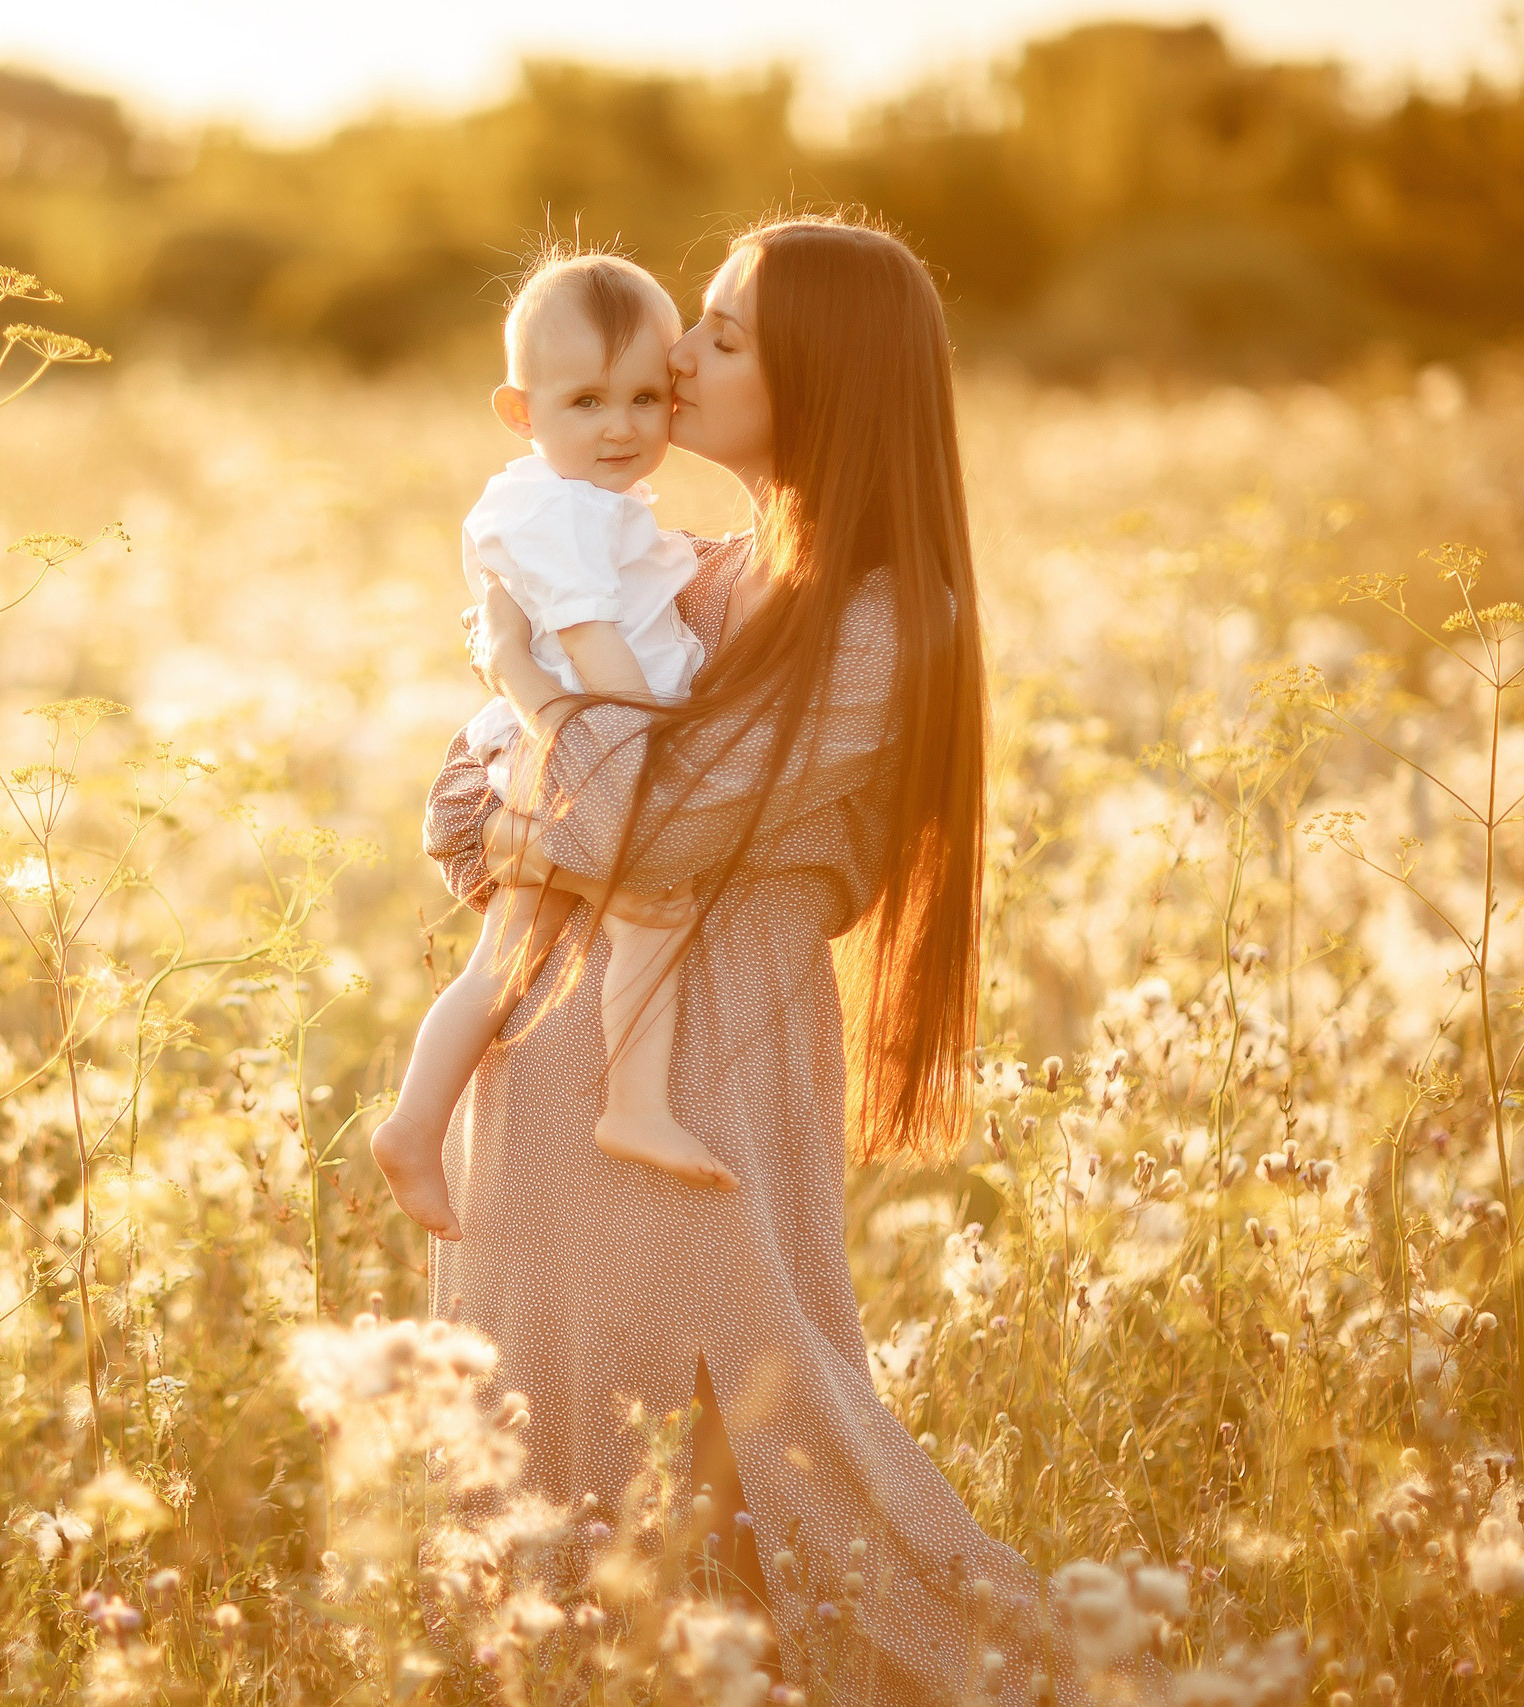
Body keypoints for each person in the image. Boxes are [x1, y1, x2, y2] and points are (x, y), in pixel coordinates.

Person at [428, 214, 1079, 1702]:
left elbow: (622, 820)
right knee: (554, 1434)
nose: (680, 351)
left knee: (754, 1424)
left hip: (707, 1053)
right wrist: (552, 767)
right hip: (552, 1052)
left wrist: (529, 699)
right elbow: (470, 808)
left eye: (722, 329)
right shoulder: (683, 566)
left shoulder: (887, 615)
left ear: (822, 372)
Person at [371, 249, 732, 1243]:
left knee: (507, 954)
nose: (621, 426)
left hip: (565, 740)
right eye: (585, 402)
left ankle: (414, 1121)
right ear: (521, 410)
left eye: (646, 396)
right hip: (583, 745)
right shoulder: (559, 509)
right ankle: (632, 1103)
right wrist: (650, 739)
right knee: (652, 915)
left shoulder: (579, 499)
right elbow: (585, 639)